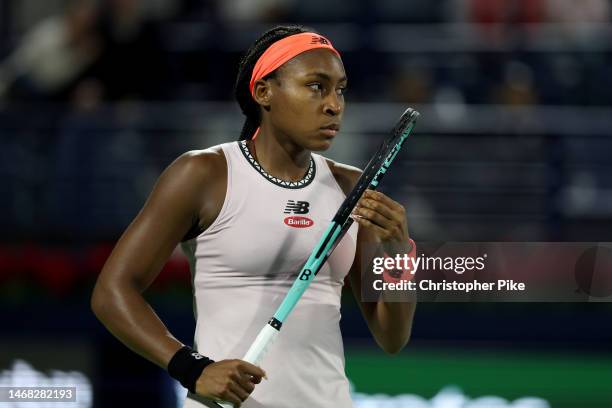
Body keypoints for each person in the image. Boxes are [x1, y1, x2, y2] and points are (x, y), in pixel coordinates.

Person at [91, 25, 416, 408]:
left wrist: (397, 254)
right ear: (264, 92)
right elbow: (112, 293)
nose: (334, 104)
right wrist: (192, 368)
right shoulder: (204, 174)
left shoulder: (352, 187)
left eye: (339, 89)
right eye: (316, 86)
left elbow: (392, 337)